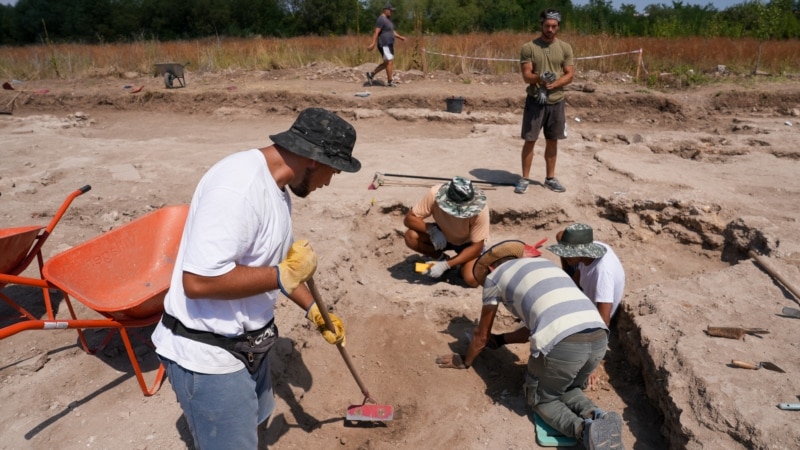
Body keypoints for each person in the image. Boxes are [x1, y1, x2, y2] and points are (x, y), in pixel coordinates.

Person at [151, 107, 361, 449]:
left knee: (258, 423)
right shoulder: (238, 188)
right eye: (332, 172)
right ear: (314, 160)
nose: (327, 182)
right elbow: (198, 282)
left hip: (252, 345)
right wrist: (282, 275)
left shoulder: (278, 190)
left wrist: (313, 309)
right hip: (210, 355)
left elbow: (276, 266)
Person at [435, 240, 624, 449]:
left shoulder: (494, 278)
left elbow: (481, 336)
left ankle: (585, 431)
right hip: (598, 336)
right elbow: (539, 324)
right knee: (568, 387)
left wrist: (465, 361)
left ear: (491, 267)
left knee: (543, 400)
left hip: (564, 343)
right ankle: (600, 417)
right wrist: (501, 340)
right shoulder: (546, 265)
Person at [515, 8, 575, 194]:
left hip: (557, 101)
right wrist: (540, 78)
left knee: (552, 141)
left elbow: (570, 74)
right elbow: (526, 76)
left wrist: (555, 83)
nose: (550, 29)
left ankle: (550, 178)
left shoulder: (565, 48)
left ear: (558, 27)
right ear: (541, 25)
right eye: (547, 25)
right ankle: (525, 178)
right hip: (535, 101)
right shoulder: (529, 48)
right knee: (530, 140)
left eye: (554, 26)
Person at [403, 176, 489, 288]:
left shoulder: (480, 209)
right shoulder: (434, 194)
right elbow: (409, 219)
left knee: (472, 279)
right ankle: (441, 258)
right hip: (442, 235)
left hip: (467, 244)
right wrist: (431, 230)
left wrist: (445, 265)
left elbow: (477, 247)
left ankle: (458, 266)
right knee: (411, 236)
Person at [547, 223, 626, 326]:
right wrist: (566, 290)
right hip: (585, 291)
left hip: (593, 313)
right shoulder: (588, 253)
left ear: (583, 251)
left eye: (568, 253)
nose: (564, 256)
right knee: (560, 236)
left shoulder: (603, 273)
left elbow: (604, 321)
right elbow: (578, 274)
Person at [366, 2, 406, 87]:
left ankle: (371, 74)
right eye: (391, 10)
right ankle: (390, 81)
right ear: (386, 10)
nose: (392, 12)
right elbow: (376, 32)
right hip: (384, 43)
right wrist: (373, 43)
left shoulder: (388, 20)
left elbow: (392, 31)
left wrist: (400, 37)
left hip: (389, 43)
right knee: (389, 61)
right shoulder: (381, 19)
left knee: (387, 62)